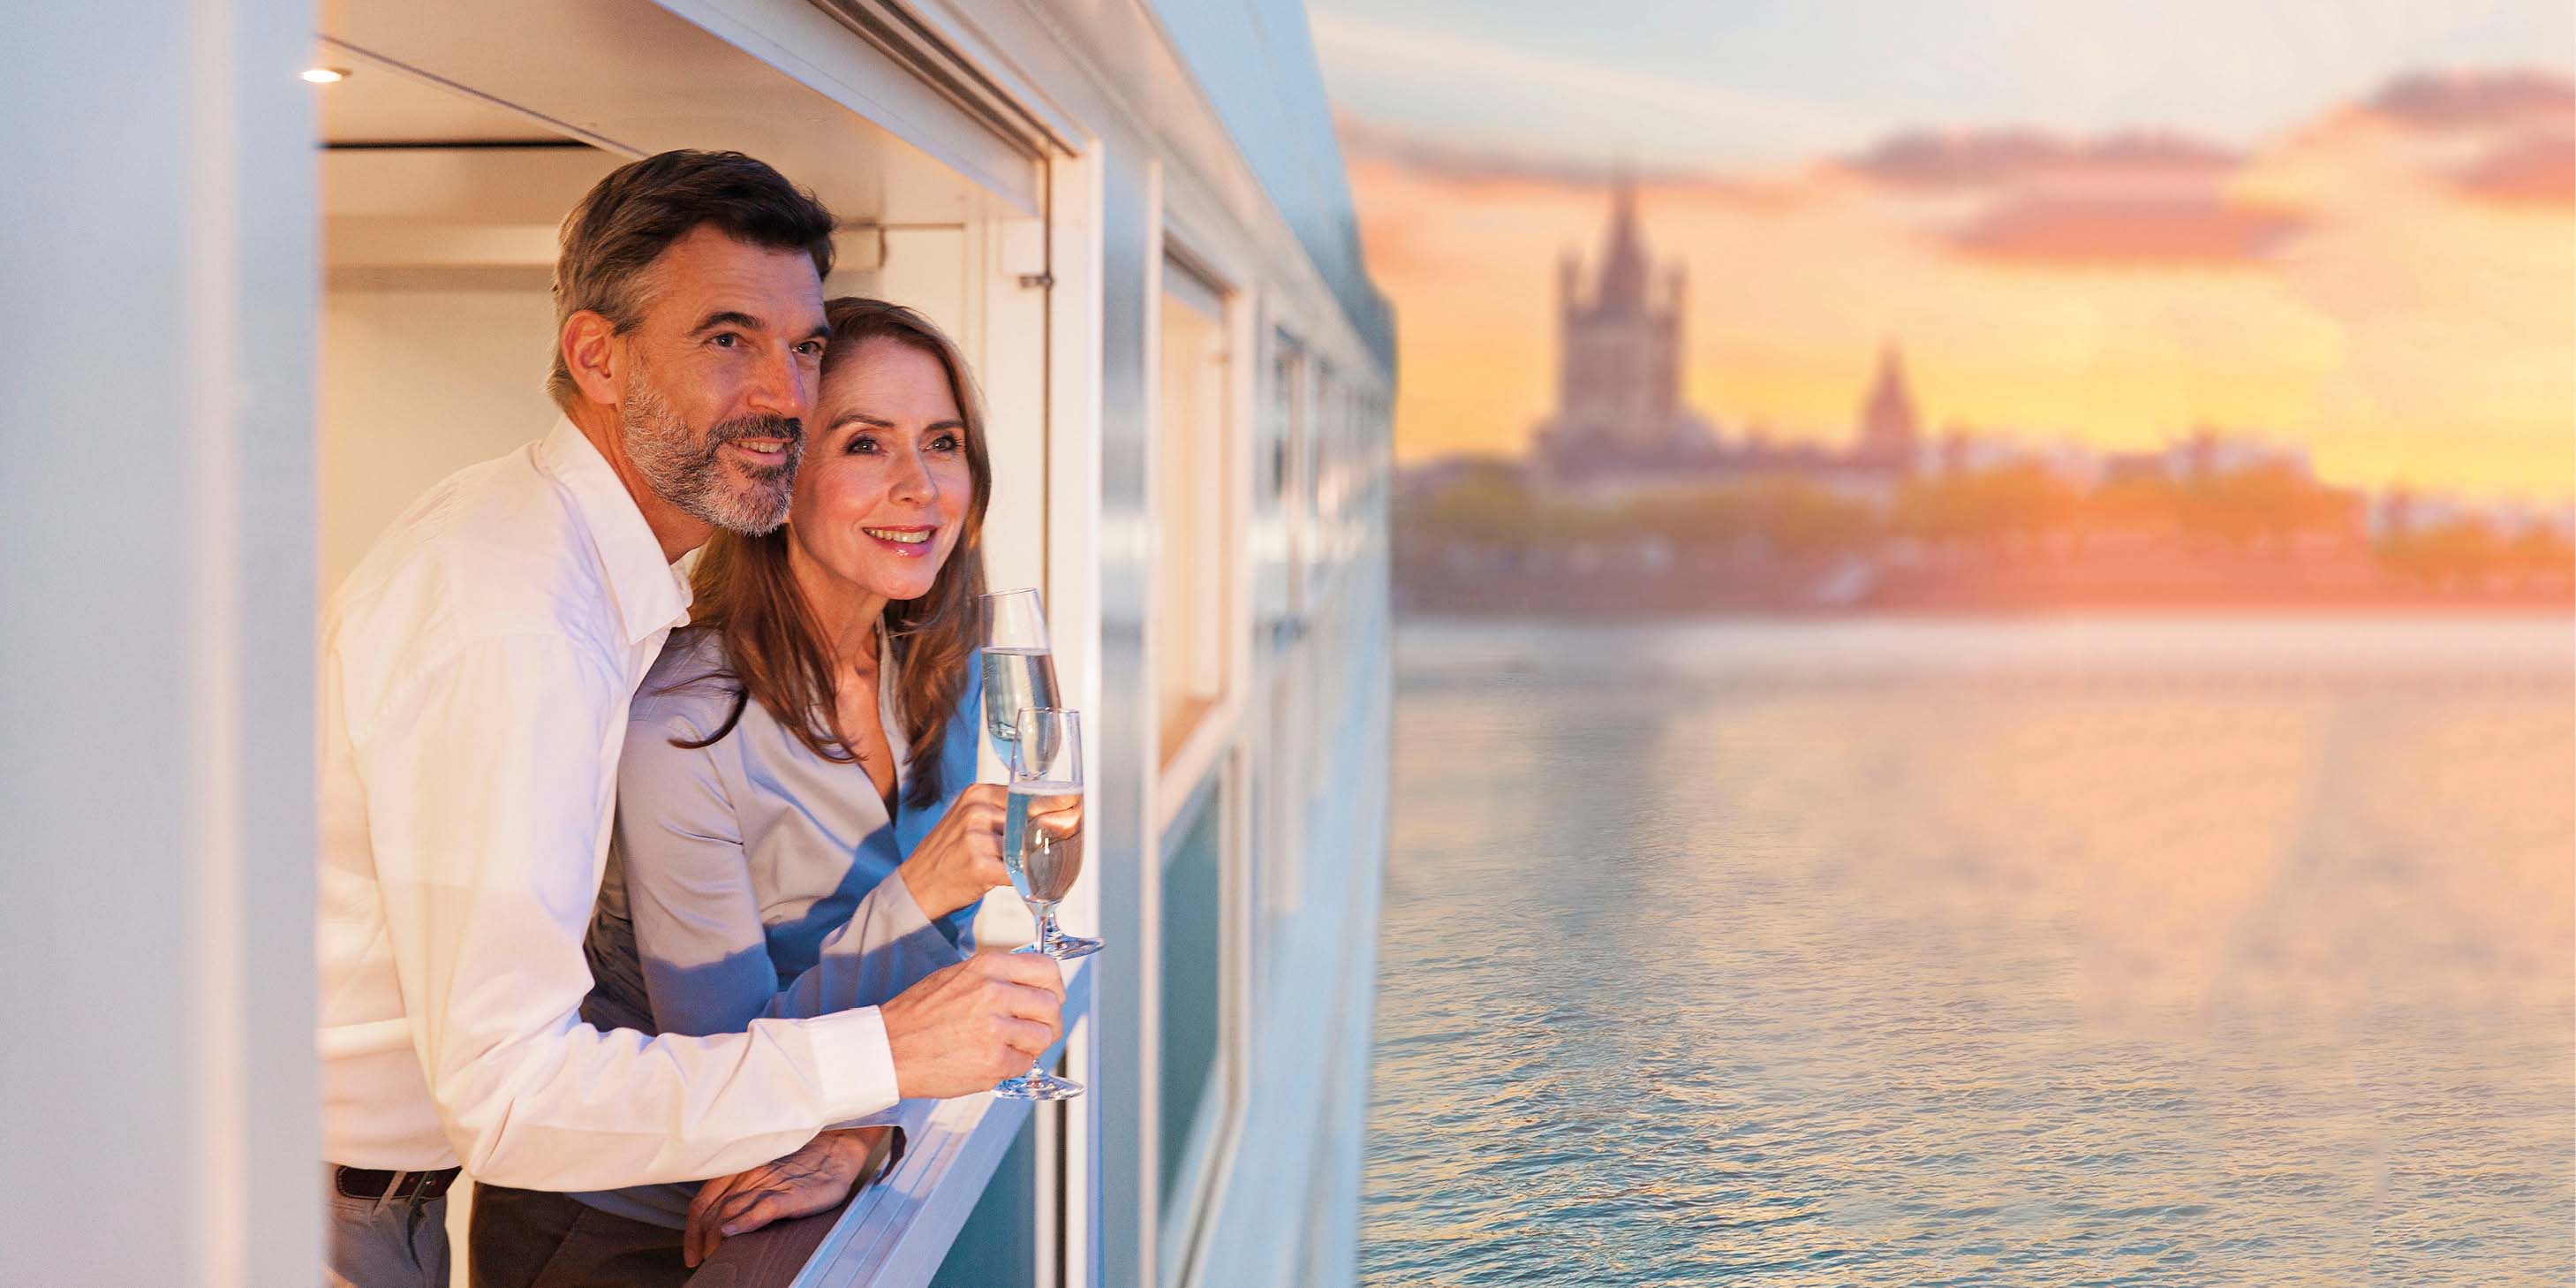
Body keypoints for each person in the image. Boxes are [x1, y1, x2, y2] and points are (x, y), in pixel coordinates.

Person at [316, 153, 1064, 1288]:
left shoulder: (591, 576)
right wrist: (890, 1053)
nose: (783, 392)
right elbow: (514, 1097)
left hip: (394, 1199)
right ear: (596, 357)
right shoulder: (529, 628)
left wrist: (865, 1115)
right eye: (728, 338)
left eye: (803, 346)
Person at [467, 298, 1041, 1281]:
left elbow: (938, 985)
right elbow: (725, 1058)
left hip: (812, 1171)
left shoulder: (941, 669)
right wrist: (919, 895)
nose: (919, 488)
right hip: (620, 1224)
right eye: (865, 443)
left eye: (942, 443)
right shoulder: (684, 723)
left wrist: (866, 1132)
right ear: (784, 472)